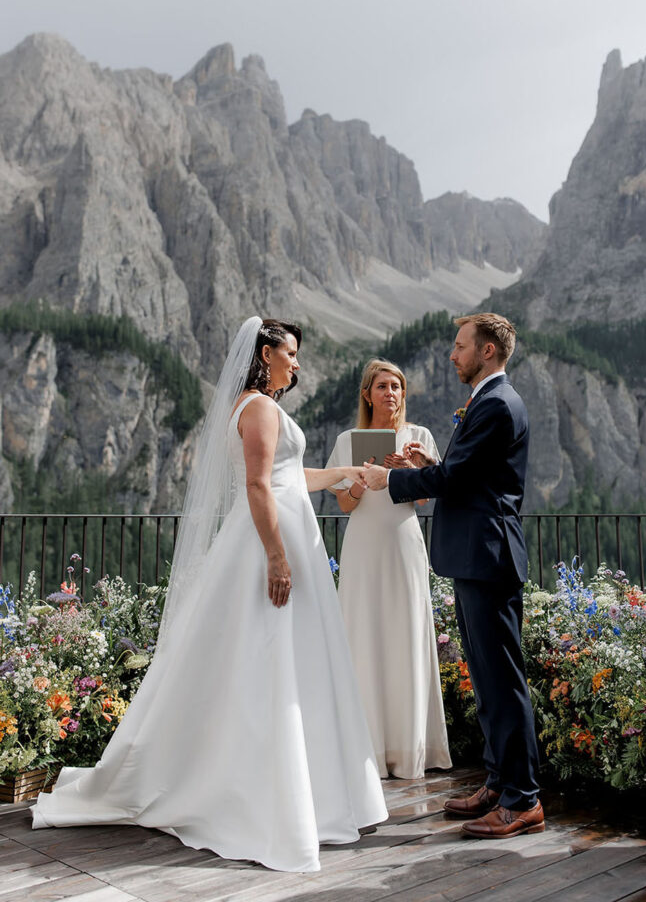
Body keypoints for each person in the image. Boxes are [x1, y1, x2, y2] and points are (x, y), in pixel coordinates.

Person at [32, 317, 387, 873]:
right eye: (290, 353)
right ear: (265, 352)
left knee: (286, 663)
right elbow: (257, 486)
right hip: (271, 544)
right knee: (270, 662)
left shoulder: (255, 406)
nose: (297, 363)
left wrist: (342, 473)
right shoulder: (261, 410)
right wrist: (276, 554)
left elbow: (291, 479)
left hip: (285, 536)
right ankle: (262, 793)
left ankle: (302, 787)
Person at [363, 313, 544, 839]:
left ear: (487, 351)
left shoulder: (497, 404)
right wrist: (424, 459)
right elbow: (465, 472)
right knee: (487, 680)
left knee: (503, 682)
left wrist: (391, 476)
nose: (451, 355)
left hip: (488, 559)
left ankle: (522, 799)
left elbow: (454, 477)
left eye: (460, 346)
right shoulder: (487, 402)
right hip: (476, 558)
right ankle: (498, 781)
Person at [326, 359, 452, 779]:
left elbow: (424, 502)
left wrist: (412, 472)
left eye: (397, 386)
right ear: (368, 394)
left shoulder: (419, 437)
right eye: (382, 386)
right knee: (362, 633)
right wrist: (360, 483)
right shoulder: (348, 440)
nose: (391, 393)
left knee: (406, 632)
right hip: (363, 545)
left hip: (403, 543)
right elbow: (343, 504)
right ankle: (367, 749)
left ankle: (410, 746)